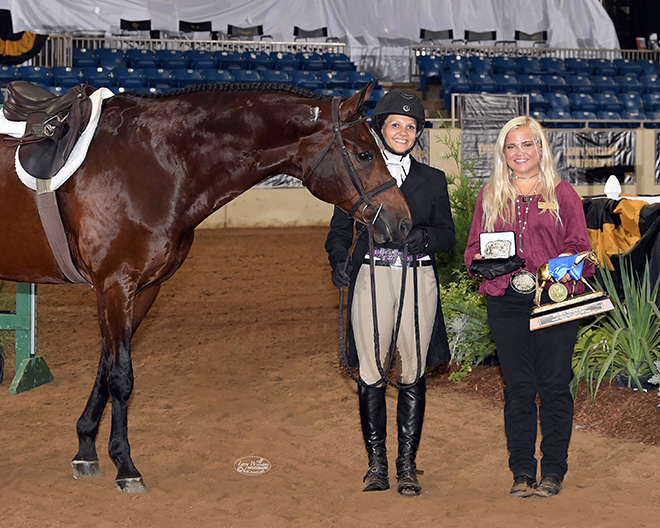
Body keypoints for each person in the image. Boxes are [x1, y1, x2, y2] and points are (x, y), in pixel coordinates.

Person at [325, 90, 455, 496]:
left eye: (411, 126)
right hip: (371, 277)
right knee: (371, 370)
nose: (404, 131)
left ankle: (407, 465)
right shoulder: (359, 174)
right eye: (396, 125)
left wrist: (424, 238)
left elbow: (447, 234)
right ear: (381, 130)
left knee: (413, 370)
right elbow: (338, 231)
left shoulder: (433, 180)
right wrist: (337, 260)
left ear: (418, 134)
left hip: (417, 278)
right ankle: (377, 463)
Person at [464, 115, 594, 498]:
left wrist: (567, 260)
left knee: (554, 385)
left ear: (540, 148)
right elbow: (473, 250)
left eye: (527, 144)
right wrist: (486, 264)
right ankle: (522, 471)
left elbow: (582, 248)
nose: (519, 152)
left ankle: (553, 469)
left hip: (554, 300)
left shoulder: (563, 193)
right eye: (511, 146)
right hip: (504, 301)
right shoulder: (490, 194)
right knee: (518, 388)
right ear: (502, 153)